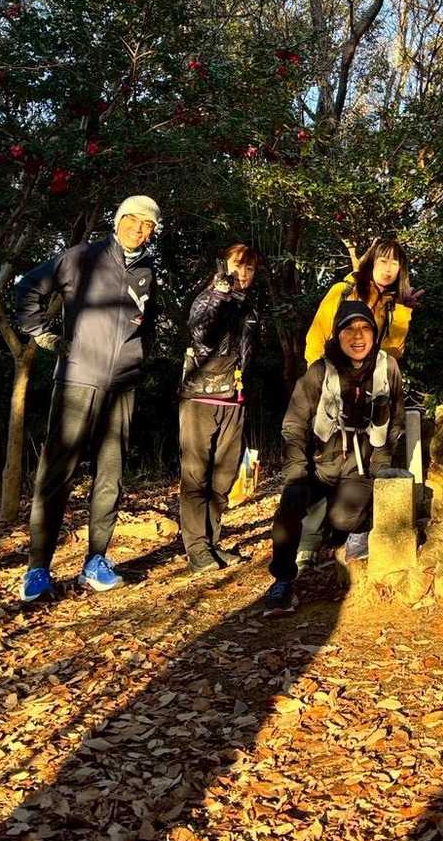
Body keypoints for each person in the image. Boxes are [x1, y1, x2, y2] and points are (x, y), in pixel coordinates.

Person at [14, 194, 161, 602]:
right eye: (132, 219)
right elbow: (28, 287)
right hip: (78, 380)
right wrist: (42, 333)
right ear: (118, 221)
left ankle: (96, 561)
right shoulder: (82, 257)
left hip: (122, 386)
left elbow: (149, 322)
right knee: (56, 475)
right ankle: (38, 568)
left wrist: (140, 357)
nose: (138, 229)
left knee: (110, 476)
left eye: (147, 224)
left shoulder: (148, 270)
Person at [266, 299, 405, 612]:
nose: (358, 336)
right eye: (349, 329)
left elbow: (395, 421)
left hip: (360, 468)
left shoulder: (387, 368)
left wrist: (380, 464)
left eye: (365, 328)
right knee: (291, 502)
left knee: (343, 517)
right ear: (337, 335)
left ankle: (354, 529)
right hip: (319, 465)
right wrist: (297, 470)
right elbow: (294, 423)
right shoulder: (320, 371)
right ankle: (283, 581)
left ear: (375, 334)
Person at [178, 243, 260, 574]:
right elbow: (202, 332)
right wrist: (220, 295)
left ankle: (211, 542)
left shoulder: (250, 308)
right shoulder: (208, 298)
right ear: (224, 266)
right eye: (238, 265)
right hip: (201, 397)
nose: (244, 273)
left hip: (234, 398)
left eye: (250, 268)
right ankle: (197, 548)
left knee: (224, 477)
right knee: (196, 474)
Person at [304, 233, 423, 367]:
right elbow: (316, 339)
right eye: (383, 261)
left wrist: (402, 310)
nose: (388, 269)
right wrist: (319, 374)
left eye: (394, 263)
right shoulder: (343, 291)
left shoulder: (390, 306)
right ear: (372, 263)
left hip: (365, 378)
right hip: (331, 372)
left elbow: (391, 354)